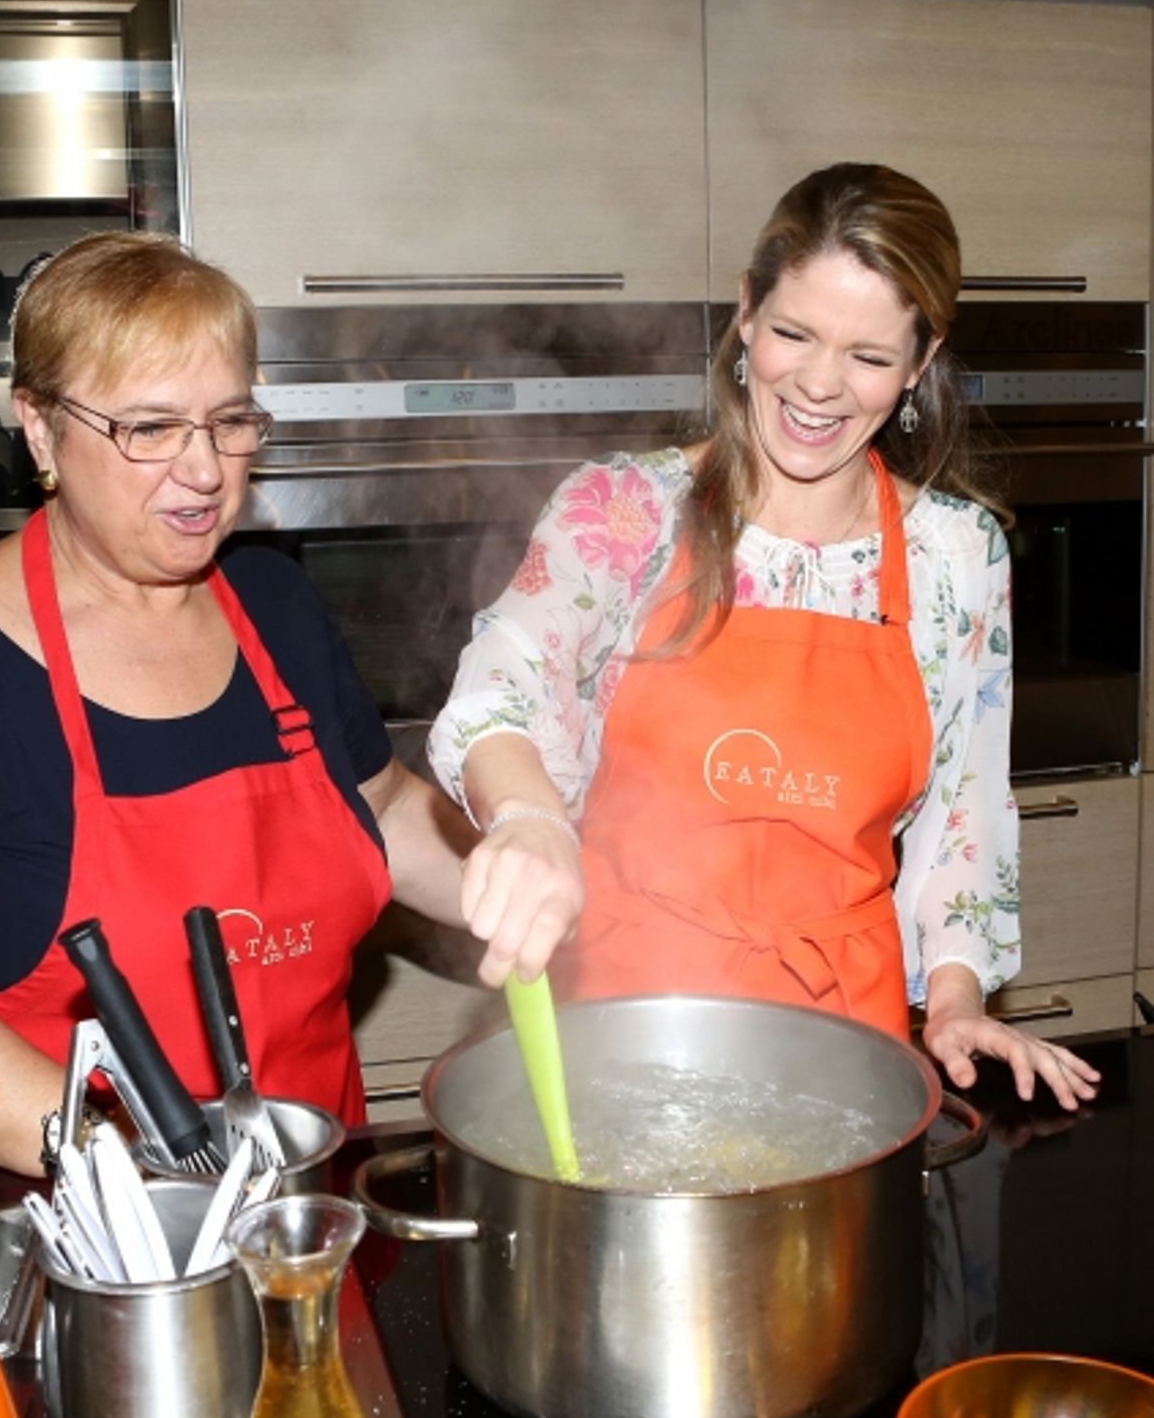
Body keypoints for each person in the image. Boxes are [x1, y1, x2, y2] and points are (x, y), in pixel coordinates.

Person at [0, 232, 477, 1174]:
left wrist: (543, 887)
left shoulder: (272, 605)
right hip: (81, 1220)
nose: (204, 471)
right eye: (149, 429)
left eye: (231, 422)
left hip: (313, 1190)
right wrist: (115, 1161)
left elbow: (385, 807)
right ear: (39, 428)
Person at [430, 162, 1100, 1111]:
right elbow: (499, 693)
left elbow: (966, 814)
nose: (821, 386)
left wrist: (953, 1000)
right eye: (794, 333)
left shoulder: (959, 554)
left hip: (847, 1042)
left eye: (870, 356)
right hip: (624, 1025)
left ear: (921, 360)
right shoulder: (623, 512)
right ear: (746, 314)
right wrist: (530, 820)